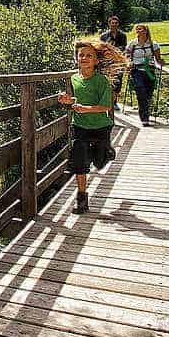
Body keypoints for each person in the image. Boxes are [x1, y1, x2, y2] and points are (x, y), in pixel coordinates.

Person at [59, 40, 125, 214]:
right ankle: (81, 200)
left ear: (96, 60)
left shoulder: (101, 81)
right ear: (76, 59)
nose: (84, 58)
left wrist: (86, 109)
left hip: (101, 127)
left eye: (89, 55)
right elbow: (74, 101)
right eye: (81, 55)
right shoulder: (73, 78)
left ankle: (106, 152)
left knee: (99, 161)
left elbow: (106, 107)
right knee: (79, 162)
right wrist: (67, 100)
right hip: (80, 126)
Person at [125, 23, 164, 126]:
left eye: (140, 29)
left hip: (149, 70)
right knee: (140, 91)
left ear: (146, 31)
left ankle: (146, 114)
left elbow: (158, 58)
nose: (138, 31)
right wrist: (129, 62)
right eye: (137, 29)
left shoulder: (153, 44)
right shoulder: (132, 44)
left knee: (148, 94)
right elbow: (127, 56)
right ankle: (144, 118)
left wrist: (161, 62)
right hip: (137, 70)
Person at [99, 15, 128, 122]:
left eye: (116, 23)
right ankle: (107, 103)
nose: (114, 24)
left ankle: (114, 102)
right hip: (107, 63)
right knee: (107, 83)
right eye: (112, 23)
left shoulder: (122, 36)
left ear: (118, 24)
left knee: (118, 83)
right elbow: (102, 48)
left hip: (118, 62)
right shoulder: (104, 36)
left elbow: (123, 49)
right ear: (109, 24)